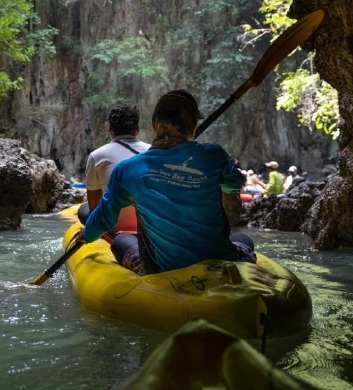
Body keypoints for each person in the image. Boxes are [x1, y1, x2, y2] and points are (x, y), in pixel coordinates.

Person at [76, 89, 256, 275]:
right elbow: (234, 184)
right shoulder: (214, 154)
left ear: (155, 125)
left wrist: (87, 234)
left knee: (121, 242)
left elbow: (104, 219)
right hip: (221, 261)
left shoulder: (126, 169)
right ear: (193, 125)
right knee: (242, 238)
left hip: (165, 269)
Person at [77, 104, 150, 232]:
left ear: (111, 130)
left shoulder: (97, 156)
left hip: (115, 228)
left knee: (83, 210)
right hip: (150, 227)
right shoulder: (155, 152)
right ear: (137, 130)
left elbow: (94, 206)